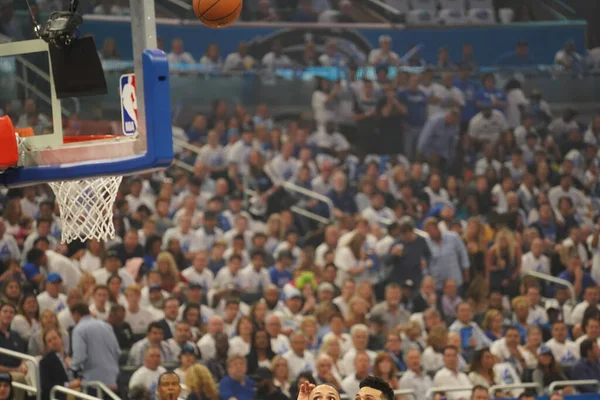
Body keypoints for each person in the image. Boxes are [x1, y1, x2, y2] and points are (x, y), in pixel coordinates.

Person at [69, 302, 120, 389]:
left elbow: (80, 356)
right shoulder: (107, 326)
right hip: (112, 379)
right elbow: (117, 351)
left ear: (76, 314)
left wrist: (72, 368)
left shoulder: (79, 329)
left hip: (93, 381)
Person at [39, 328, 81, 400]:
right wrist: (69, 385)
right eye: (49, 341)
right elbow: (46, 386)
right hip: (62, 394)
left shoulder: (72, 357)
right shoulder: (45, 362)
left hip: (79, 387)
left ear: (61, 339)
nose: (53, 342)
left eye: (55, 338)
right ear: (47, 346)